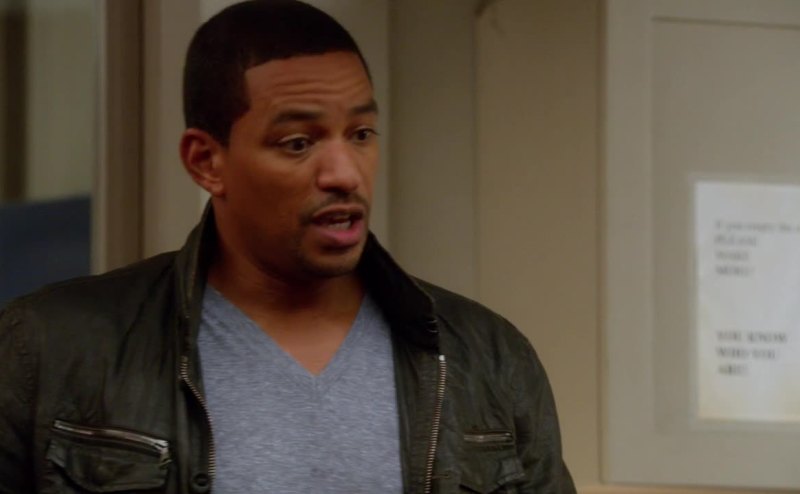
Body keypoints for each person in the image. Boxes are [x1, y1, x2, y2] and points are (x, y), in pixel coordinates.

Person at [0, 1, 575, 492]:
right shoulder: (52, 349)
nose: (344, 173)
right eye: (298, 142)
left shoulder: (487, 357)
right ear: (207, 162)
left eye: (361, 134)